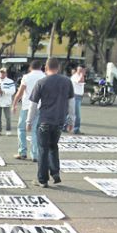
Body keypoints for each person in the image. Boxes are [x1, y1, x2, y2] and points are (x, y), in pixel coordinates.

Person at [26, 58, 74, 188]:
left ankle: (42, 179)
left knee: (43, 149)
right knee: (53, 146)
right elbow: (71, 103)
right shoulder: (67, 82)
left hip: (45, 120)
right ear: (58, 68)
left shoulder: (41, 82)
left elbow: (33, 105)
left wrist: (29, 121)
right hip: (59, 121)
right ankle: (55, 172)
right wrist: (71, 120)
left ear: (46, 68)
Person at [12, 60, 45, 161]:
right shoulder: (44, 76)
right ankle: (35, 155)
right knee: (35, 131)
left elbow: (20, 92)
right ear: (41, 67)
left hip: (27, 106)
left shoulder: (26, 77)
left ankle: (22, 152)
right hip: (40, 106)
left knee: (21, 129)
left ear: (30, 67)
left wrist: (14, 104)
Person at [0, 67, 15, 135]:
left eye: (3, 72)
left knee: (8, 117)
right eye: (1, 72)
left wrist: (3, 91)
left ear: (6, 73)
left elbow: (13, 91)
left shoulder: (10, 81)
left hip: (6, 102)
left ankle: (8, 130)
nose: (2, 74)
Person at [69, 65, 86, 134]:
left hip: (79, 97)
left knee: (70, 113)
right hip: (75, 96)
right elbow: (80, 81)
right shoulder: (75, 76)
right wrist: (82, 74)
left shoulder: (80, 76)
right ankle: (76, 129)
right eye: (82, 70)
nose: (84, 72)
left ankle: (64, 126)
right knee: (77, 114)